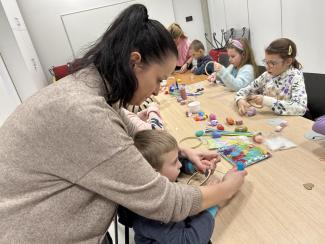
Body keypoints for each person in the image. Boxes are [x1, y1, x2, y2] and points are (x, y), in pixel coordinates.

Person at [0, 4, 247, 243]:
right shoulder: (82, 111)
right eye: (158, 79)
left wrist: (181, 151)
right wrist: (225, 189)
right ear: (134, 62)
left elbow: (129, 128)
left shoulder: (89, 86)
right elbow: (164, 200)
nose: (158, 89)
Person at [121, 130, 239, 244]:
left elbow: (164, 163)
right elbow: (189, 240)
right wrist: (213, 204)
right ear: (154, 174)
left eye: (178, 158)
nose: (180, 164)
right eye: (175, 162)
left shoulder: (146, 180)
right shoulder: (151, 214)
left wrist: (193, 167)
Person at [235, 38, 307, 116]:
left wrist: (265, 100)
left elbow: (300, 108)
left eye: (272, 63)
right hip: (271, 118)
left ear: (288, 61)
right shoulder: (267, 75)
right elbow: (244, 90)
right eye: (266, 62)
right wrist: (240, 100)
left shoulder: (295, 77)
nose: (267, 67)